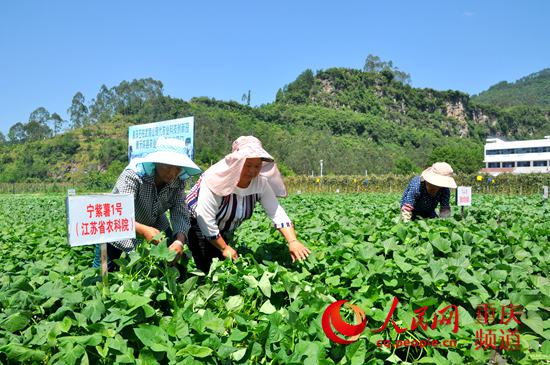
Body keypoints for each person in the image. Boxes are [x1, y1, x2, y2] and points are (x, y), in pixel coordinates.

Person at [185, 136, 311, 273]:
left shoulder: (260, 183)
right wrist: (224, 248)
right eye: (248, 165)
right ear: (237, 163)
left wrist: (293, 241)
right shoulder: (216, 179)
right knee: (206, 270)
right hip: (196, 225)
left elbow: (277, 213)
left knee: (226, 268)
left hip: (224, 229)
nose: (252, 171)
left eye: (257, 166)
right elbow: (205, 219)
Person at [93, 137, 202, 271]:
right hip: (117, 233)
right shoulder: (133, 176)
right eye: (168, 166)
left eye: (178, 168)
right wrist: (143, 229)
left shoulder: (178, 182)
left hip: (155, 225)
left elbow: (180, 212)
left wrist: (179, 240)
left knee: (164, 270)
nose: (172, 173)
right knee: (102, 274)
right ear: (156, 162)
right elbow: (117, 214)